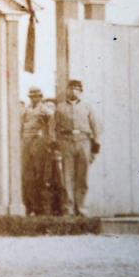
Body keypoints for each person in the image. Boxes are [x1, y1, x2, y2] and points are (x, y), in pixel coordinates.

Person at [55, 79, 100, 216]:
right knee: (67, 177)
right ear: (67, 90)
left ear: (81, 91)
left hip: (83, 141)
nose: (74, 91)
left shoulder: (87, 107)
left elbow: (95, 127)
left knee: (82, 176)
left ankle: (81, 208)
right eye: (71, 88)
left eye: (77, 88)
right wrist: (55, 144)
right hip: (66, 142)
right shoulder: (60, 108)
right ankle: (68, 209)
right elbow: (53, 127)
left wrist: (95, 145)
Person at [20, 86, 47, 215]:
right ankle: (29, 205)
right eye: (32, 96)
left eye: (37, 96)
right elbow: (21, 122)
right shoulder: (27, 109)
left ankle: (39, 207)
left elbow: (51, 119)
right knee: (26, 174)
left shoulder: (44, 108)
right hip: (26, 141)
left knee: (39, 173)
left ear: (41, 97)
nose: (34, 98)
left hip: (38, 141)